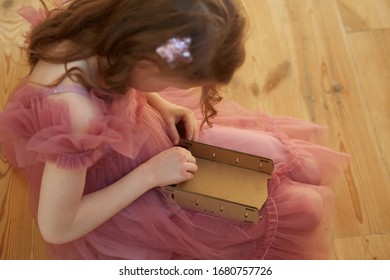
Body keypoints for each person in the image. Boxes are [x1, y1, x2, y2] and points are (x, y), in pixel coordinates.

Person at [0, 0, 349, 260]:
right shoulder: (74, 115)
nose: (174, 89)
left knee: (284, 161)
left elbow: (127, 75)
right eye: (174, 83)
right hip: (114, 187)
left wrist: (157, 102)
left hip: (143, 138)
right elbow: (57, 227)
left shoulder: (119, 30)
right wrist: (150, 174)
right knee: (299, 212)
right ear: (149, 61)